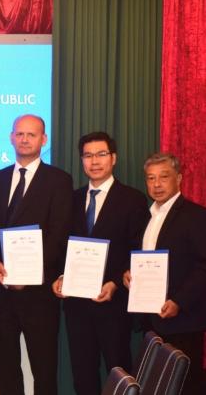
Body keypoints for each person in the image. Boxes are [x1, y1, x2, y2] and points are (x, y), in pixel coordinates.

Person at [52, 132, 149, 395]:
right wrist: (60, 277)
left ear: (113, 158)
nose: (94, 161)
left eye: (101, 154)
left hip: (113, 305)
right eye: (88, 155)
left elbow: (137, 250)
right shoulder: (71, 199)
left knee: (119, 371)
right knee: (82, 374)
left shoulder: (133, 199)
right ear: (82, 160)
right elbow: (62, 246)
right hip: (77, 306)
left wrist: (115, 282)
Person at [0, 114, 73, 395]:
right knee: (4, 367)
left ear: (43, 140)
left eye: (31, 135)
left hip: (39, 293)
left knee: (44, 368)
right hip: (2, 290)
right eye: (20, 134)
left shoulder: (59, 180)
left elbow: (58, 233)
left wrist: (30, 274)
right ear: (11, 138)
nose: (25, 139)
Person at [123, 153, 206, 394]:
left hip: (183, 322)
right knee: (158, 386)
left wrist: (179, 301)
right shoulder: (148, 216)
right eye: (151, 178)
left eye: (164, 177)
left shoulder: (196, 216)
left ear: (178, 179)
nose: (157, 184)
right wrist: (129, 272)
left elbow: (203, 265)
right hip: (152, 319)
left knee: (185, 386)